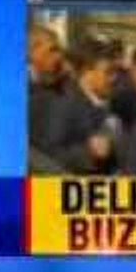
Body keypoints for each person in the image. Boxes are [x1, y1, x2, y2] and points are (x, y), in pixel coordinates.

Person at [41, 38, 124, 174]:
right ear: (87, 72)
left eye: (115, 72)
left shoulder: (108, 100)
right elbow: (51, 153)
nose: (114, 78)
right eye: (108, 72)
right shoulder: (65, 104)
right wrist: (88, 151)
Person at [27, 24, 69, 173]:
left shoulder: (52, 84)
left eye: (59, 51)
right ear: (32, 51)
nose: (58, 57)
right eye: (52, 50)